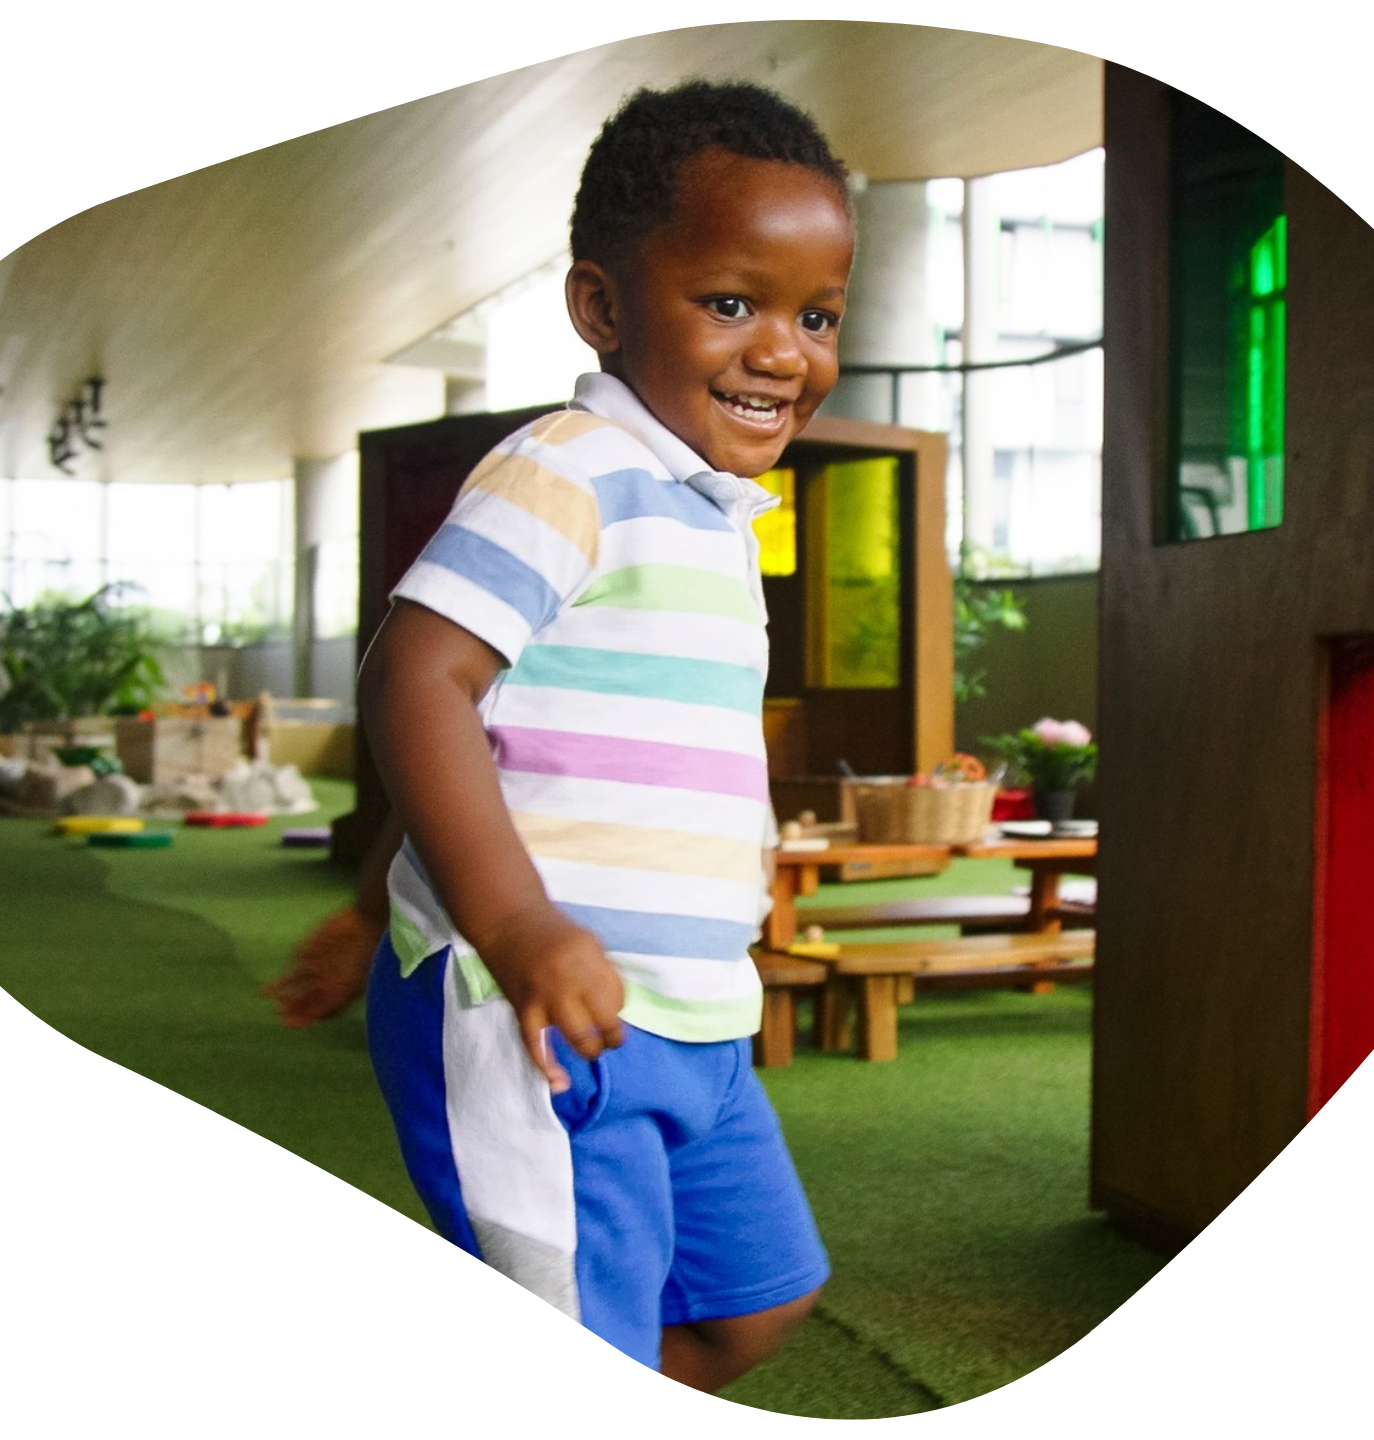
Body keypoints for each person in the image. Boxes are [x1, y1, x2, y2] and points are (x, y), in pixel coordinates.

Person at [357, 80, 855, 1390]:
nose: (782, 351)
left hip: (694, 1022)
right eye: (733, 302)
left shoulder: (709, 513)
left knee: (759, 1306)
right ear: (604, 306)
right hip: (536, 1020)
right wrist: (514, 927)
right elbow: (419, 679)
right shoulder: (568, 469)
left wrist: (366, 900)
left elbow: (513, 730)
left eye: (817, 315)